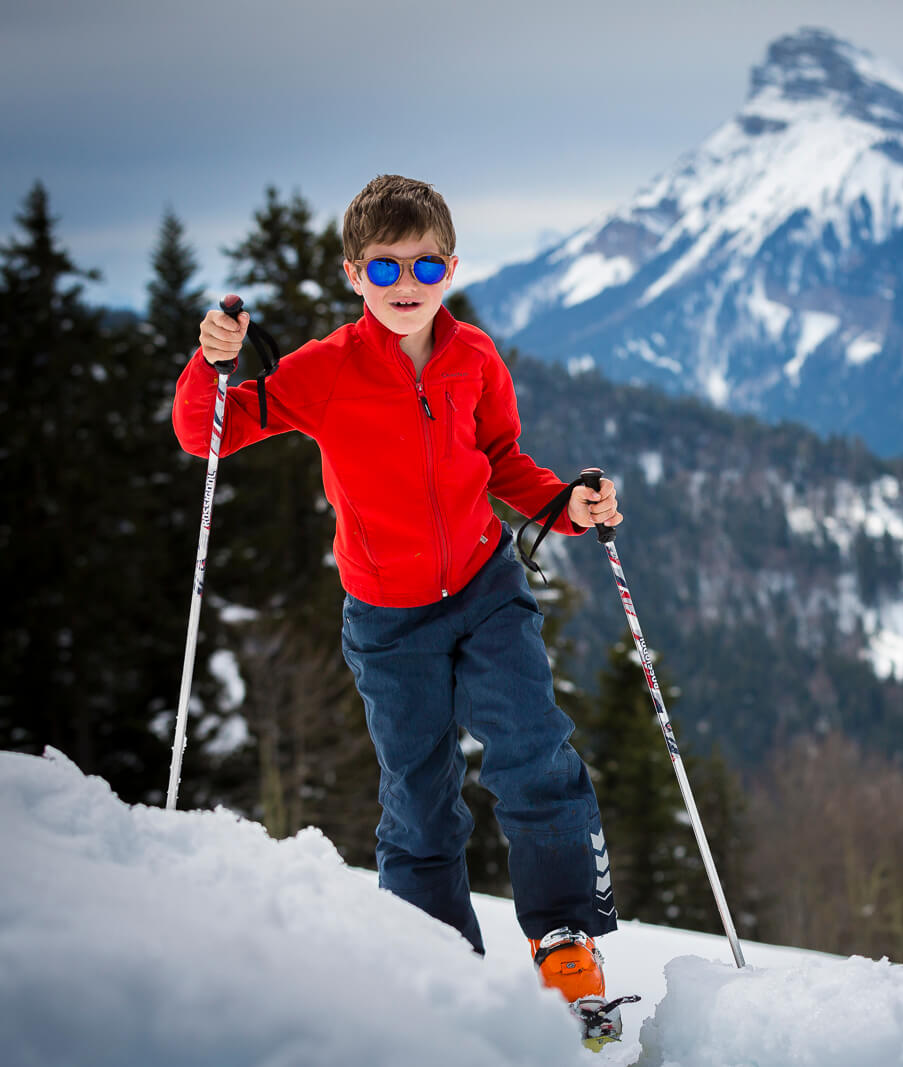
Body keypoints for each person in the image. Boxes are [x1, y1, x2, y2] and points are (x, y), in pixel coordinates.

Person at [173, 174, 626, 1041]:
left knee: (533, 747)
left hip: (489, 589)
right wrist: (211, 361)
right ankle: (439, 964)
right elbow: (209, 432)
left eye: (426, 263)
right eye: (386, 268)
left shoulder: (475, 358)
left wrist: (567, 505)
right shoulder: (325, 370)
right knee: (418, 795)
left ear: (451, 266)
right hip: (387, 619)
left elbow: (502, 461)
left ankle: (566, 940)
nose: (407, 283)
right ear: (354, 274)